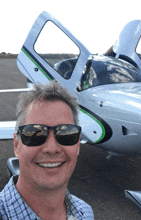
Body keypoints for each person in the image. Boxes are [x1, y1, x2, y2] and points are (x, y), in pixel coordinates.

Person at [0, 81, 94, 220]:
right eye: (34, 133)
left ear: (78, 144)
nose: (52, 149)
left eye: (66, 134)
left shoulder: (85, 213)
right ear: (16, 145)